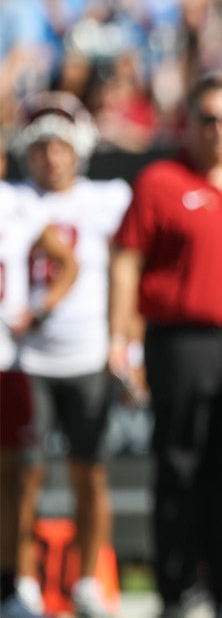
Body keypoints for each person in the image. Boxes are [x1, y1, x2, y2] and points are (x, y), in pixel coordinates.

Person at [108, 71, 222, 618]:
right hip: (178, 343)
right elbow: (127, 263)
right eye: (209, 118)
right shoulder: (160, 182)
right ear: (190, 123)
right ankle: (174, 586)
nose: (220, 130)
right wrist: (123, 341)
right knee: (177, 467)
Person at [10, 91, 131, 618]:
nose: (51, 157)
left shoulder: (108, 198)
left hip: (88, 355)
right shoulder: (12, 200)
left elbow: (128, 274)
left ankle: (86, 580)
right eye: (41, 147)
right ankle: (21, 584)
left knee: (91, 474)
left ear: (78, 147)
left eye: (60, 145)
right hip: (22, 359)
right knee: (22, 475)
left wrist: (127, 341)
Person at [0, 139, 79, 618]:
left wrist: (39, 307)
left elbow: (68, 262)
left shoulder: (19, 205)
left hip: (7, 362)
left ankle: (10, 583)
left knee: (11, 479)